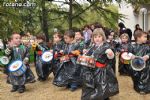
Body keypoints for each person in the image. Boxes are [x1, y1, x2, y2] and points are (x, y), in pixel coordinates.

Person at [81, 28, 119, 100]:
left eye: (99, 36)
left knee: (102, 87)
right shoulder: (92, 46)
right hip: (92, 70)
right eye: (95, 37)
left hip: (102, 71)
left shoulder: (106, 46)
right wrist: (86, 52)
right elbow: (89, 56)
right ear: (93, 38)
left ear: (103, 37)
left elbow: (111, 57)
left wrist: (110, 54)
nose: (97, 39)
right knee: (93, 87)